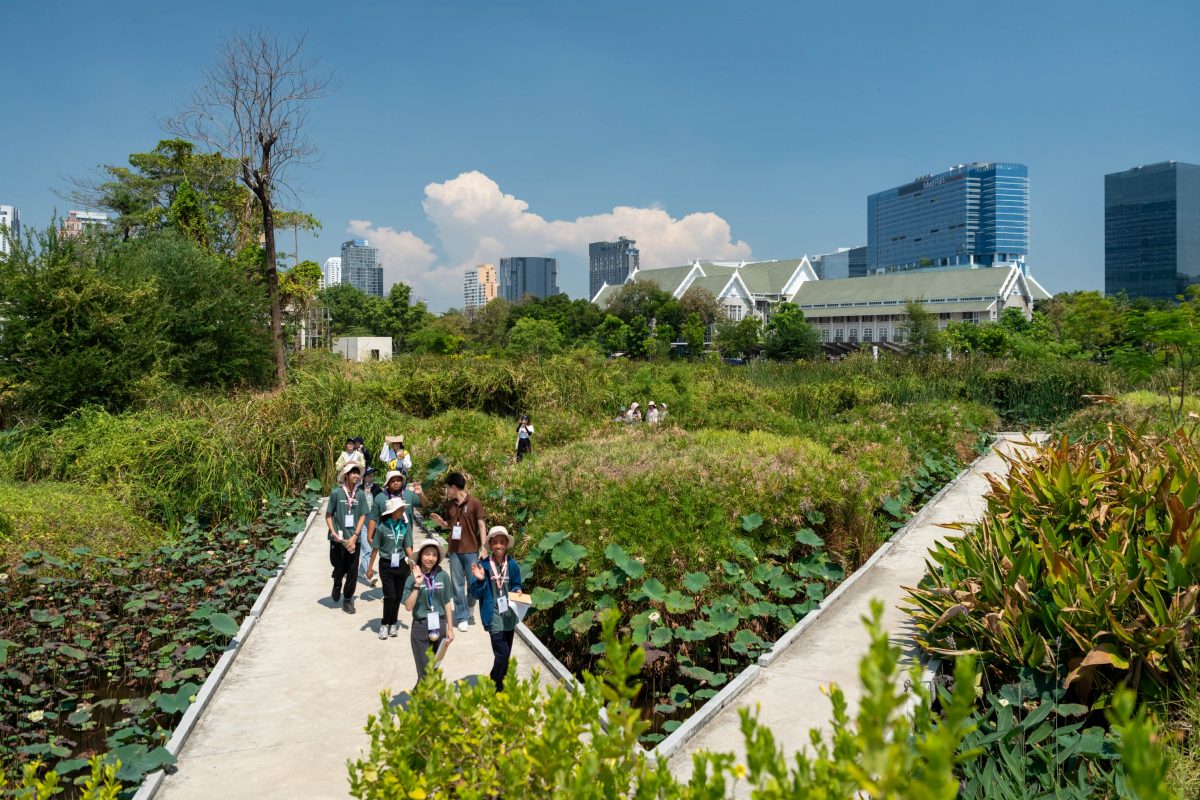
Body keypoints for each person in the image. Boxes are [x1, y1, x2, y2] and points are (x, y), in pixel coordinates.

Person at [428, 471, 486, 632]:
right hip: (454, 551)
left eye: (448, 488)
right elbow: (450, 525)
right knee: (457, 585)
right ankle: (461, 616)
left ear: (454, 487)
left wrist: (484, 547)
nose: (447, 491)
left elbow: (481, 525)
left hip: (472, 550)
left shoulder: (474, 503)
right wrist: (441, 522)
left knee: (474, 584)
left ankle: (469, 605)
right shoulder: (451, 505)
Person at [469, 526, 523, 691]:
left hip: (509, 615)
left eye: (502, 542)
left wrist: (517, 590)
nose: (498, 546)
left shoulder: (512, 565)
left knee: (504, 655)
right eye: (495, 542)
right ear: (490, 545)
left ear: (507, 544)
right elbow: (475, 593)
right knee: (503, 654)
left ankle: (495, 678)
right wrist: (479, 580)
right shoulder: (483, 566)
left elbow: (516, 583)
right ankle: (499, 687)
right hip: (493, 616)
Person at [402, 538, 455, 683]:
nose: (430, 558)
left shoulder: (443, 576)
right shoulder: (412, 578)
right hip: (420, 627)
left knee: (434, 669)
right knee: (424, 673)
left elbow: (447, 603)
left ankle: (424, 702)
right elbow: (408, 606)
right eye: (427, 554)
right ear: (420, 556)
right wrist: (417, 584)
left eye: (434, 555)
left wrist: (450, 628)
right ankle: (420, 702)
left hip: (440, 625)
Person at [325, 462, 369, 614]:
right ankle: (337, 583)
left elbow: (363, 515)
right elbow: (329, 515)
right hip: (338, 539)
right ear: (346, 476)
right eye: (353, 473)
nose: (356, 475)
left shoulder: (361, 494)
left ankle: (348, 600)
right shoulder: (337, 493)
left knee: (352, 571)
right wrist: (334, 533)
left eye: (358, 473)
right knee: (338, 566)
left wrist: (355, 535)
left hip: (353, 540)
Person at [369, 496, 412, 640]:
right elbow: (375, 549)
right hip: (386, 565)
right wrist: (369, 568)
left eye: (403, 508)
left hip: (401, 564)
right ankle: (384, 624)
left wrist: (415, 564)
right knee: (390, 596)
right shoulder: (382, 528)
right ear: (393, 511)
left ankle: (393, 623)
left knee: (398, 596)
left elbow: (407, 547)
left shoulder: (405, 526)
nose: (402, 510)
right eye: (400, 509)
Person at [369, 470, 425, 564]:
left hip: (406, 538)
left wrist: (421, 494)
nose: (396, 482)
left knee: (408, 567)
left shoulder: (409, 495)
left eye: (398, 480)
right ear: (387, 483)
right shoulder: (380, 498)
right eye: (392, 480)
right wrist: (369, 537)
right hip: (388, 541)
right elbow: (373, 518)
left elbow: (426, 505)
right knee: (389, 568)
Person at [358, 467, 382, 586]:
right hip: (362, 519)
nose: (371, 478)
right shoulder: (358, 489)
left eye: (372, 476)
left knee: (371, 546)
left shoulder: (377, 489)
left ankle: (361, 570)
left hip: (373, 520)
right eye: (368, 476)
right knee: (366, 548)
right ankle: (370, 575)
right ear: (363, 477)